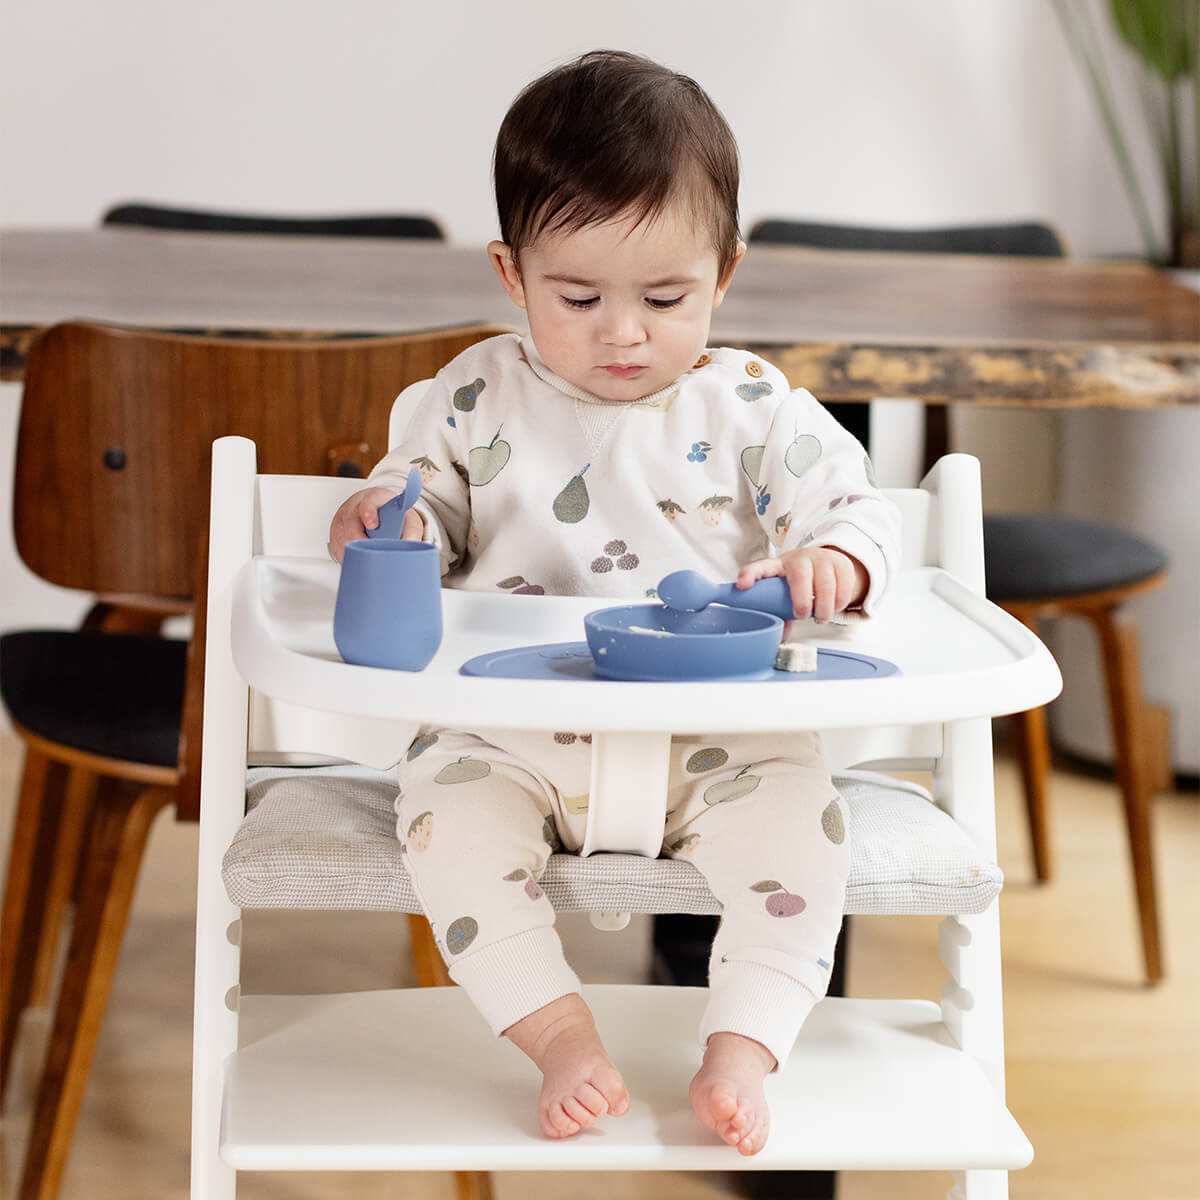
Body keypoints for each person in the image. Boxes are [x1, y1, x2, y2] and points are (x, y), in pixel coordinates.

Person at [328, 49, 900, 1157]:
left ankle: (743, 1043)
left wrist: (838, 560)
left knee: (805, 844)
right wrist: (378, 522)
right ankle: (558, 1036)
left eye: (666, 297)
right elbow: (419, 506)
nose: (622, 332)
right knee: (443, 826)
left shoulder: (751, 407)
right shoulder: (472, 394)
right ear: (511, 273)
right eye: (578, 297)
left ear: (725, 273)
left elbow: (856, 507)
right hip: (513, 733)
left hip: (718, 740)